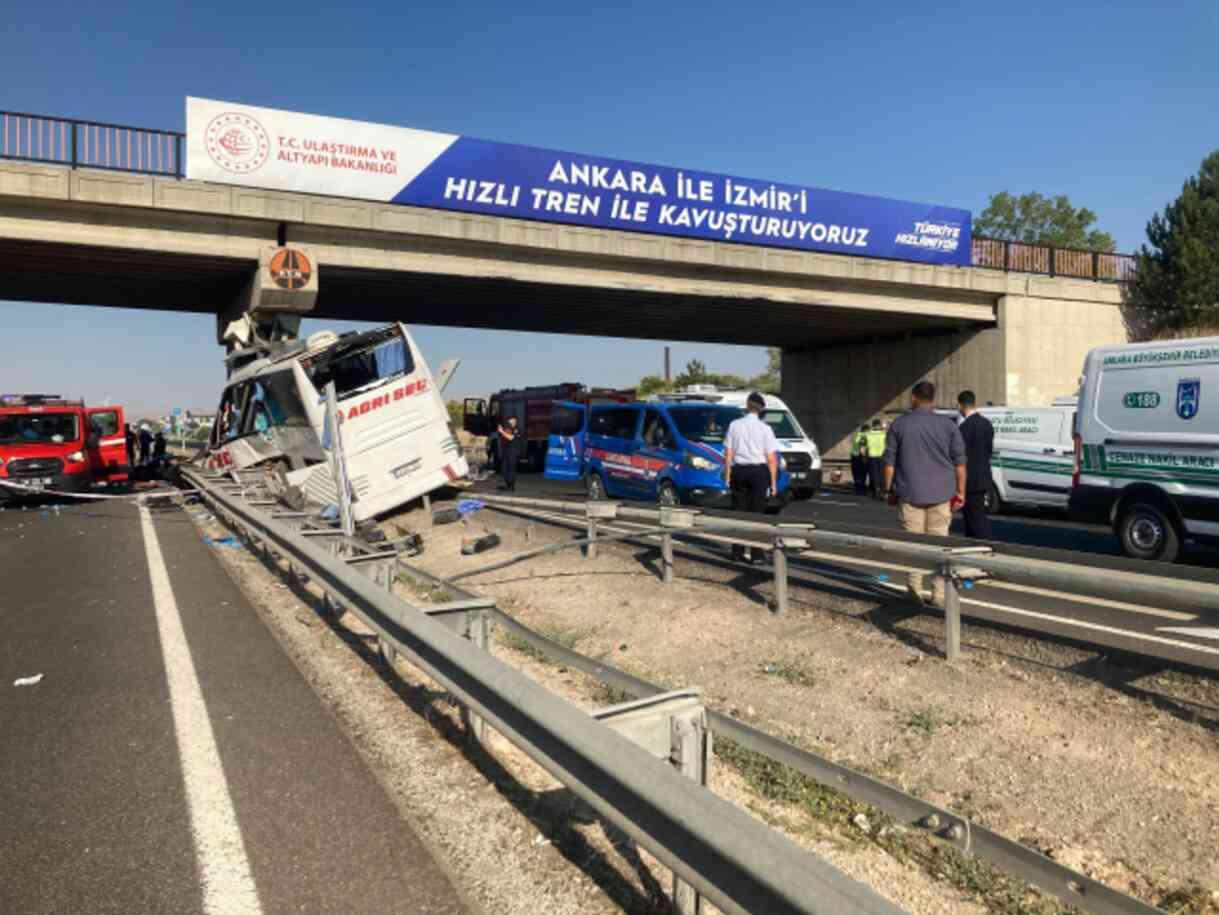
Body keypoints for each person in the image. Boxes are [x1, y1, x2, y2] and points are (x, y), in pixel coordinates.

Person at [882, 380, 966, 607]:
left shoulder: (899, 426)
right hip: (941, 495)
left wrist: (889, 490)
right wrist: (961, 492)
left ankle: (914, 591)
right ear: (933, 399)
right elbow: (960, 464)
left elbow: (889, 463)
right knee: (939, 546)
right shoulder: (948, 426)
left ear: (913, 398)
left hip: (909, 494)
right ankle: (939, 594)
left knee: (914, 547)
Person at [723, 392, 780, 564]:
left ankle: (737, 553)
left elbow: (728, 454)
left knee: (739, 512)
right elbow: (771, 458)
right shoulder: (766, 429)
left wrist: (727, 476)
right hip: (758, 473)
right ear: (761, 410)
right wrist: (773, 483)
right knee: (757, 514)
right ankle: (756, 554)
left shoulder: (734, 425)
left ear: (747, 406)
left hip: (739, 471)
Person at [957, 390, 995, 540]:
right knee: (977, 515)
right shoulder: (987, 424)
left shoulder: (963, 428)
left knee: (974, 519)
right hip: (984, 476)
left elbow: (960, 456)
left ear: (960, 405)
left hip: (969, 480)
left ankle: (984, 546)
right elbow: (989, 451)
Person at [497, 416, 521, 491]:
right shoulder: (508, 429)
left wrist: (502, 432)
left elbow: (510, 438)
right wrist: (501, 431)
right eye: (509, 421)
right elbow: (503, 437)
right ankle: (507, 485)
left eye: (512, 421)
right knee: (504, 469)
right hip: (506, 451)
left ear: (515, 421)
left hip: (513, 451)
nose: (510, 422)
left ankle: (511, 486)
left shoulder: (517, 430)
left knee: (511, 469)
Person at [865, 419, 887, 499]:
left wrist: (865, 458)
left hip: (872, 456)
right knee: (882, 474)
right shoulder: (884, 434)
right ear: (879, 425)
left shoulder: (868, 434)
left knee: (873, 474)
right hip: (882, 456)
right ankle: (882, 491)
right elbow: (887, 445)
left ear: (873, 425)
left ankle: (874, 490)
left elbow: (865, 448)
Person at [850, 424, 869, 495]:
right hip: (859, 457)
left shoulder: (857, 435)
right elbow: (862, 449)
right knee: (862, 473)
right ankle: (861, 490)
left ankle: (857, 489)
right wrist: (865, 459)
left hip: (854, 456)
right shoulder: (864, 436)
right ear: (866, 430)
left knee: (856, 474)